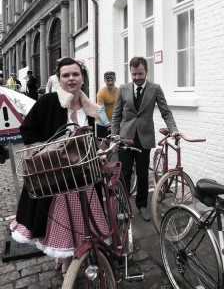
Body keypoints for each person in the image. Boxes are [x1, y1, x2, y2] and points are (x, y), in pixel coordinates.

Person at [10, 57, 109, 274]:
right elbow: (28, 129)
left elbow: (97, 139)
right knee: (61, 224)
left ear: (83, 78)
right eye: (66, 75)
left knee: (83, 221)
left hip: (83, 177)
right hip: (55, 179)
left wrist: (100, 153)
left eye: (75, 74)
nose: (71, 79)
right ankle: (66, 263)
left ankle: (75, 255)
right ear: (59, 79)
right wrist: (42, 149)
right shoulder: (48, 102)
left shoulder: (91, 109)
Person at [111, 56, 178, 221]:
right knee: (124, 174)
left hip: (144, 138)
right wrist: (114, 136)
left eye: (140, 74)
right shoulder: (123, 89)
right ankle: (123, 206)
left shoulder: (155, 89)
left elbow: (166, 112)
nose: (137, 77)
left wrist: (173, 130)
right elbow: (116, 114)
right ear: (130, 72)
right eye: (134, 74)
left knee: (142, 175)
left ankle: (142, 206)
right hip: (125, 138)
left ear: (146, 71)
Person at [95, 71, 118, 138]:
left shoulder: (118, 90)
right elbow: (101, 110)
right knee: (103, 144)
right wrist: (107, 123)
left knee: (114, 143)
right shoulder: (101, 93)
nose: (110, 82)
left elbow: (119, 106)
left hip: (112, 121)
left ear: (115, 79)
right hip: (102, 122)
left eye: (112, 80)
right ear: (105, 80)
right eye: (108, 80)